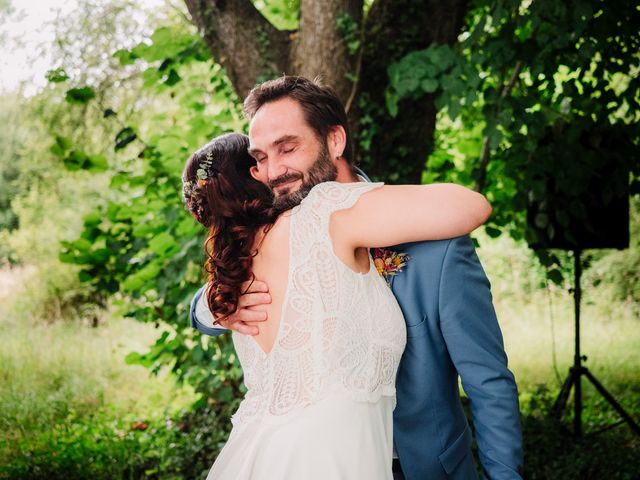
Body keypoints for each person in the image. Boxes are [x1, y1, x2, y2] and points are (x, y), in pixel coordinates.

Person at [189, 76, 524, 479]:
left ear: (334, 141)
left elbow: (488, 381)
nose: (273, 171)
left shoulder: (438, 244)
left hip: (419, 466)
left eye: (288, 148)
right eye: (260, 157)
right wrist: (211, 305)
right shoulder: (272, 230)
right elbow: (213, 297)